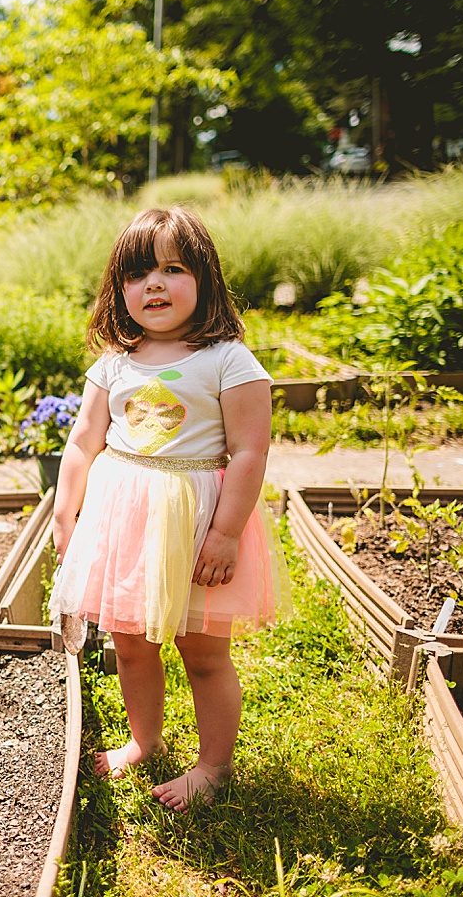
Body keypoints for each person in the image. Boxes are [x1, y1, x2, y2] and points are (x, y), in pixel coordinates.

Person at [47, 207, 288, 813]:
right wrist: (65, 513)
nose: (152, 283)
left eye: (172, 268)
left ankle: (213, 766)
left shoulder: (228, 360)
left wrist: (226, 533)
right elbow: (82, 443)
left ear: (204, 278)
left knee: (202, 650)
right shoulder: (113, 365)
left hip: (197, 521)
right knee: (130, 641)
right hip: (125, 522)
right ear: (118, 289)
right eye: (136, 272)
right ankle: (144, 741)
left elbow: (250, 451)